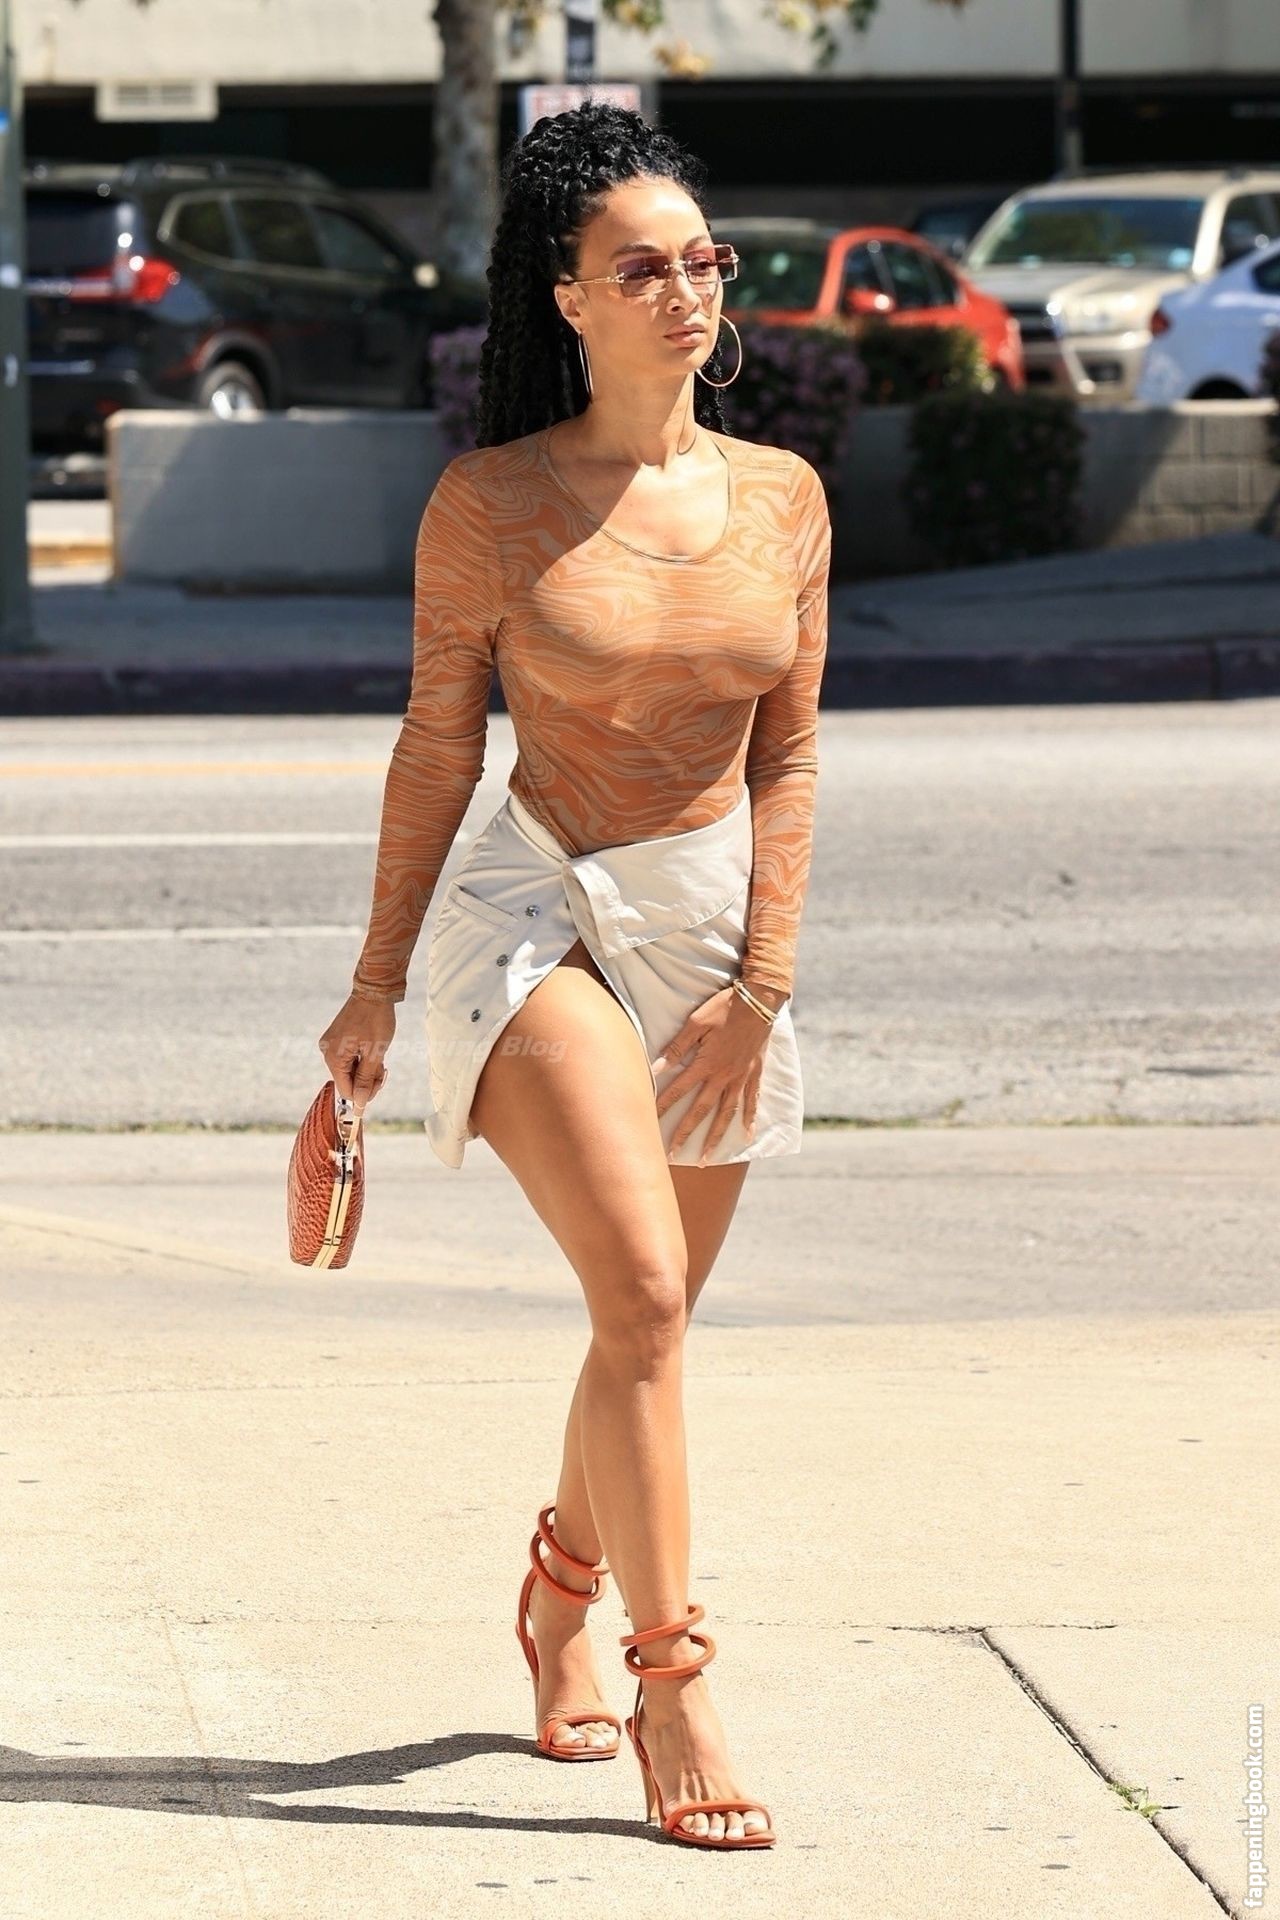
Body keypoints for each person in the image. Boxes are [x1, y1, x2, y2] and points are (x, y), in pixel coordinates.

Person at [318, 100, 830, 1851]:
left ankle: (554, 1597)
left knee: (642, 1327)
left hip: (708, 935)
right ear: (568, 298)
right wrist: (375, 983)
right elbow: (435, 748)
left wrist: (763, 985)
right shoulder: (491, 505)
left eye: (703, 260)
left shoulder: (783, 499)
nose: (686, 291)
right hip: (532, 909)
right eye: (643, 268)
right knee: (647, 1296)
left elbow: (790, 759)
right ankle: (674, 1682)